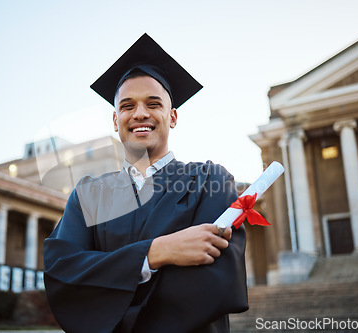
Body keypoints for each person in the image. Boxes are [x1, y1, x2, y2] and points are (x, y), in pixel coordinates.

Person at [44, 33, 248, 333]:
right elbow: (63, 272)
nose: (140, 113)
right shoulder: (89, 195)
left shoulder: (211, 180)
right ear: (115, 121)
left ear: (173, 116)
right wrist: (156, 252)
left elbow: (216, 280)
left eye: (153, 103)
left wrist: (113, 289)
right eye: (127, 106)